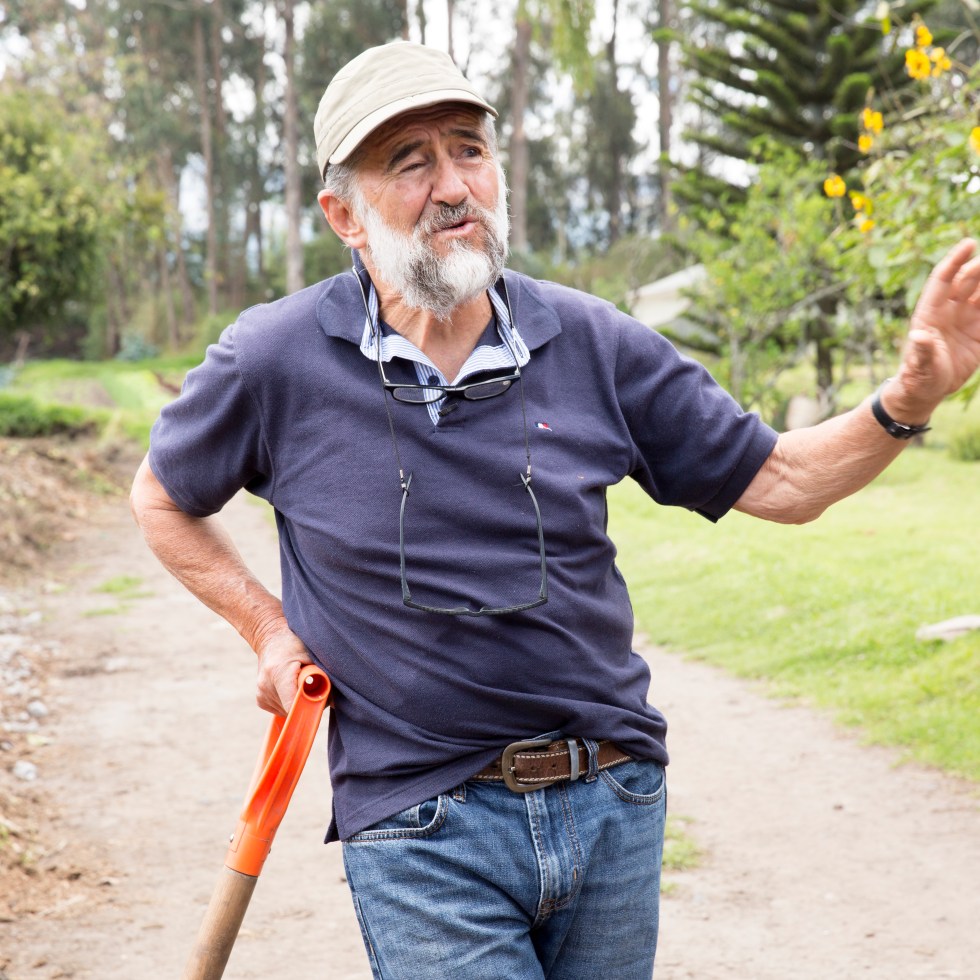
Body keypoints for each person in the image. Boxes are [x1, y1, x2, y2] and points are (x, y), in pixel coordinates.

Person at [130, 40, 980, 979]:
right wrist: (268, 632)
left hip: (611, 798)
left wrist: (906, 401)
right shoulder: (276, 359)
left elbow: (782, 481)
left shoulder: (592, 341)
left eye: (469, 150)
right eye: (410, 163)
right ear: (345, 216)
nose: (453, 186)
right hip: (420, 823)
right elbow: (161, 496)